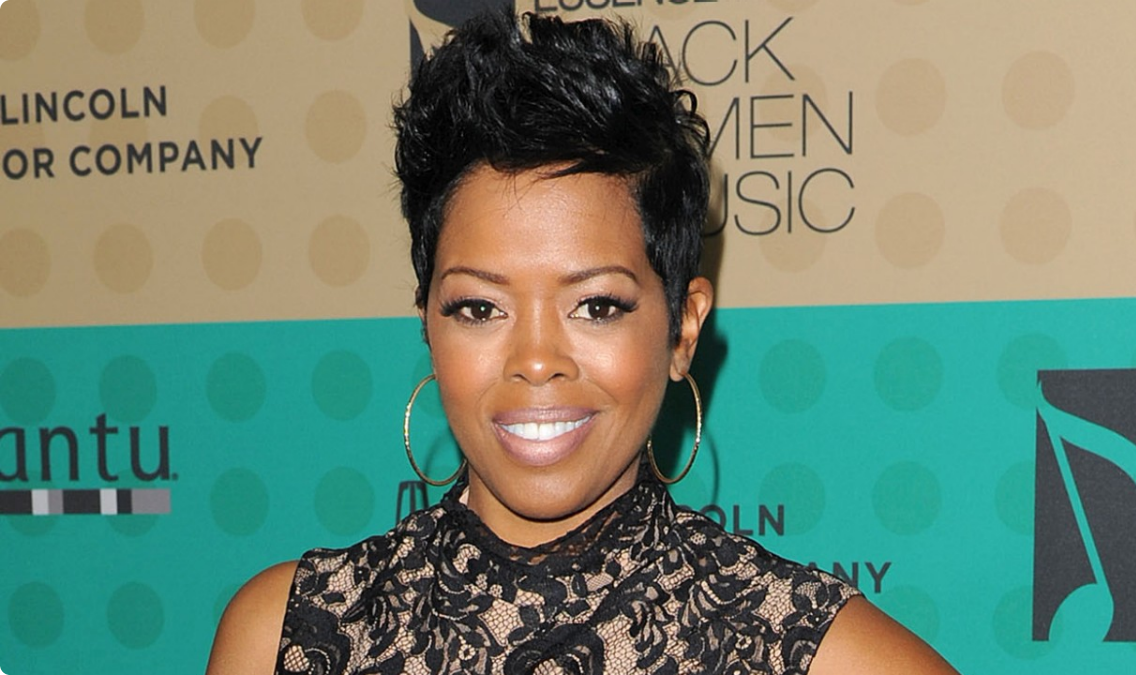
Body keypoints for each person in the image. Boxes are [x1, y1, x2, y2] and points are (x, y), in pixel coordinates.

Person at [207, 11, 959, 675]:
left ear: (683, 329)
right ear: (428, 324)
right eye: (479, 307)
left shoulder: (820, 655)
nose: (537, 360)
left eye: (596, 305)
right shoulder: (286, 636)